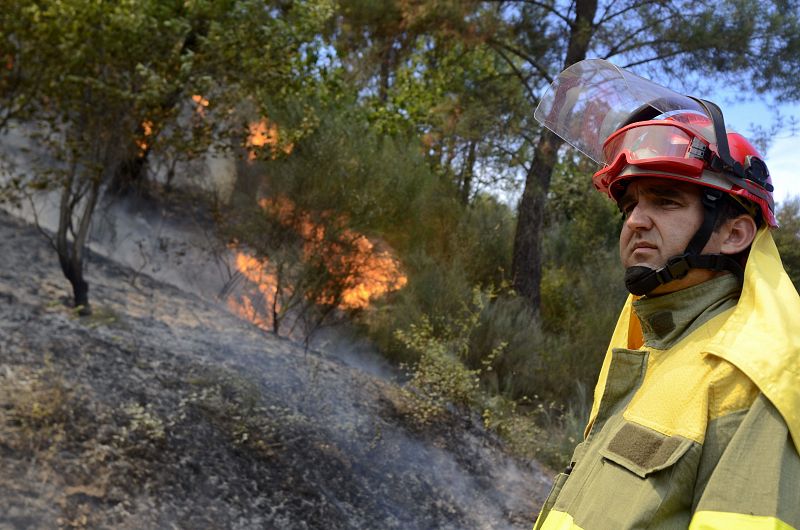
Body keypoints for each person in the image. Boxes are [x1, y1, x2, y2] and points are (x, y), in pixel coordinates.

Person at [531, 59, 800, 529]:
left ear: (735, 234)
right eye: (630, 202)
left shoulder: (751, 378)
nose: (635, 220)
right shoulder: (649, 349)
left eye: (666, 201)